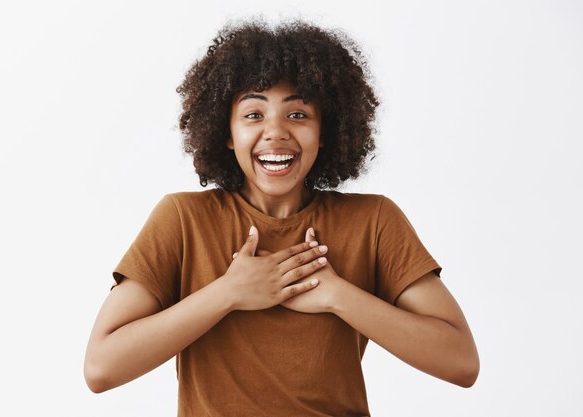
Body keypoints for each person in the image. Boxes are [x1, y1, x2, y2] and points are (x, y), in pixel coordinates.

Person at [84, 19, 479, 416]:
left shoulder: (373, 221)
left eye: (298, 114)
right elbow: (101, 368)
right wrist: (228, 293)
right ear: (227, 131)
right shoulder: (183, 219)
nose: (275, 132)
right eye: (253, 114)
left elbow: (461, 362)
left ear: (325, 131)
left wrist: (337, 296)